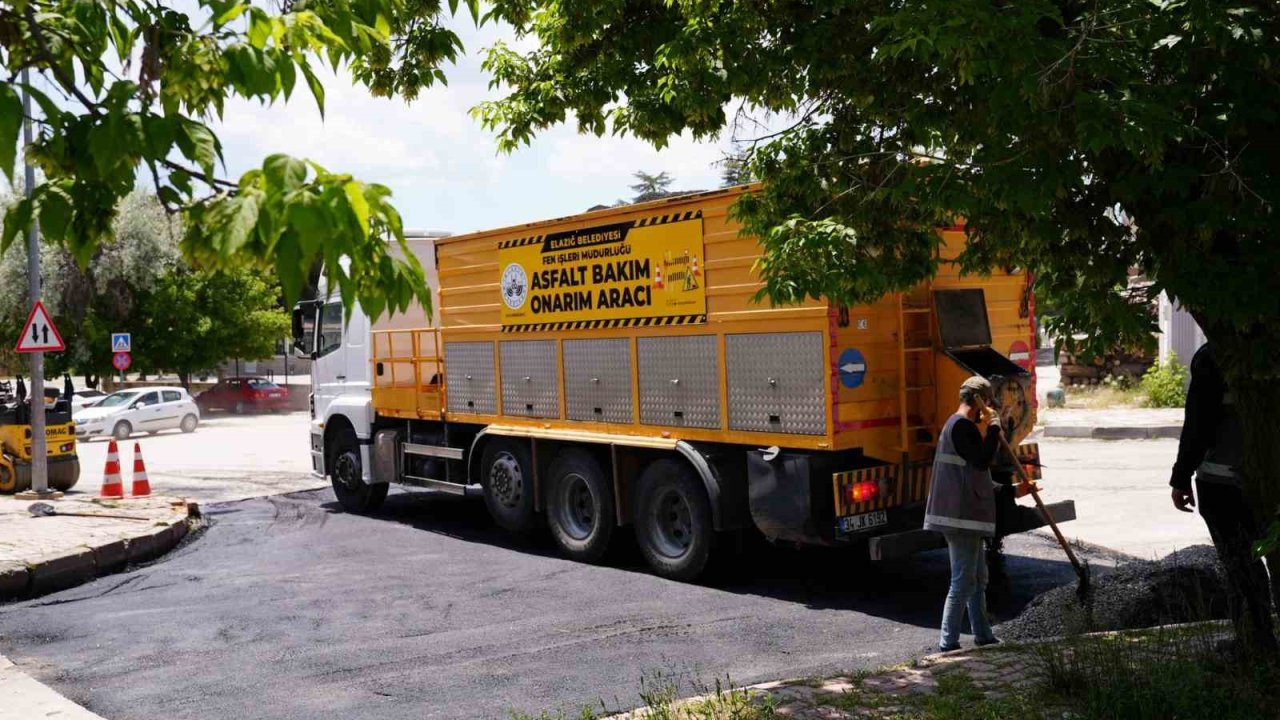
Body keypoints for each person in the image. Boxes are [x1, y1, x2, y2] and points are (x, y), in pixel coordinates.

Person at [1170, 343, 1278, 651]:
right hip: (1268, 482)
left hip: (1223, 481)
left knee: (1241, 566)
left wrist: (1181, 477)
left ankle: (1254, 642)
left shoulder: (1215, 355)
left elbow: (1198, 425)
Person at [925, 375, 1003, 651]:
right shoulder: (961, 427)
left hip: (965, 514)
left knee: (979, 578)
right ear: (979, 400)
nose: (989, 407)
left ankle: (983, 634)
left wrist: (1009, 491)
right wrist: (993, 428)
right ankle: (948, 642)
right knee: (962, 581)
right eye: (988, 401)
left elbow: (971, 472)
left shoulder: (959, 426)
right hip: (960, 517)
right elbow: (982, 460)